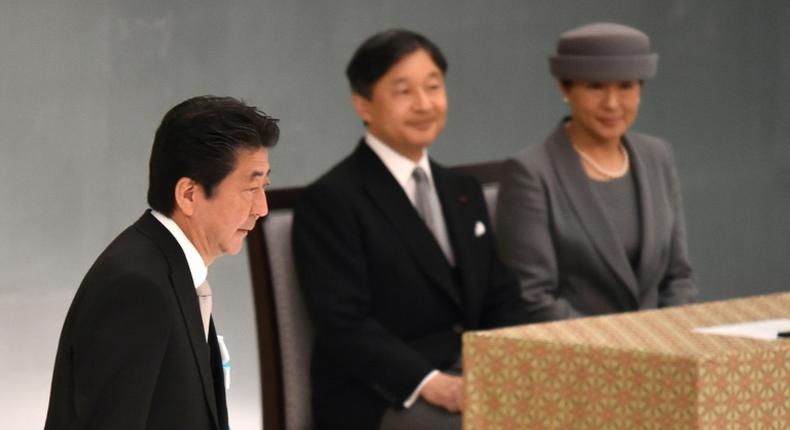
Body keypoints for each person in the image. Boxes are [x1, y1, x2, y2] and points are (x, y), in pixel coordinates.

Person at [291, 29, 530, 430]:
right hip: (381, 395)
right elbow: (344, 325)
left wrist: (508, 369)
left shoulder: (462, 190)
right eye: (403, 91)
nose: (424, 104)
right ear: (363, 104)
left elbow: (500, 295)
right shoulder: (332, 200)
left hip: (470, 374)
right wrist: (432, 384)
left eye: (433, 87)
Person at [44, 96, 279, 430]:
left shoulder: (165, 269)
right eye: (251, 187)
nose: (262, 207)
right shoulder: (137, 287)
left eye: (264, 186)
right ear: (188, 195)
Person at [496, 23, 697, 322]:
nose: (612, 104)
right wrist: (620, 350)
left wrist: (666, 339)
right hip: (579, 357)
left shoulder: (658, 156)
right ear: (565, 88)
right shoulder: (531, 173)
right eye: (595, 87)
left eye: (626, 86)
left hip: (661, 351)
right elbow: (533, 298)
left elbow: (679, 277)